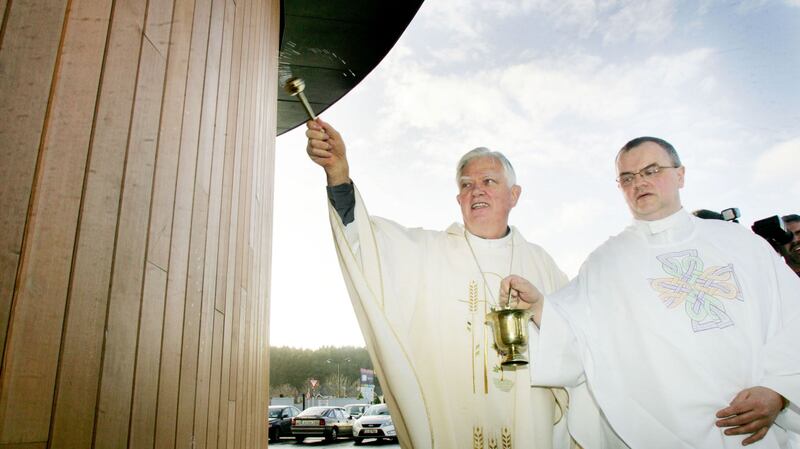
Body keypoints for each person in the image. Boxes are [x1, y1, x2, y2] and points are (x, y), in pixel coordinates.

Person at [304, 118, 612, 449]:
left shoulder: (542, 265)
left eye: (489, 181)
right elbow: (366, 247)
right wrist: (338, 174)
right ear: (459, 199)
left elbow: (580, 345)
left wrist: (540, 311)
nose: (476, 190)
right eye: (466, 185)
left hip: (529, 426)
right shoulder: (428, 253)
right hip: (454, 425)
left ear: (514, 195)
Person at [501, 137, 800, 448]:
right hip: (663, 432)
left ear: (680, 174)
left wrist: (778, 391)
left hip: (755, 431)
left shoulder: (741, 243)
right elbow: (576, 335)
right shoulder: (607, 261)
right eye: (627, 178)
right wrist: (540, 308)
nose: (639, 183)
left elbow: (794, 318)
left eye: (651, 170)